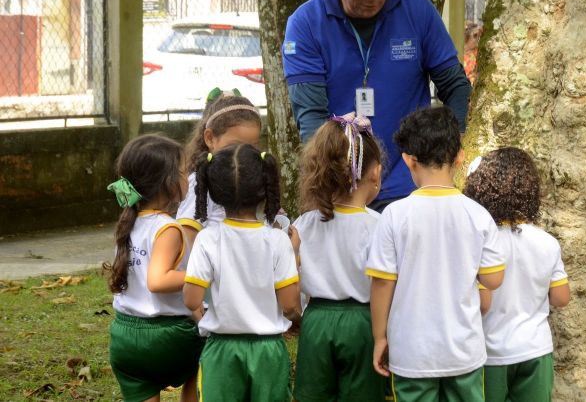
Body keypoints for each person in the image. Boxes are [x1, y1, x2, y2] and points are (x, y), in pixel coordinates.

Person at [282, 0, 472, 212]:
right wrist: (333, 183)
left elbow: (456, 86)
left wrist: (451, 144)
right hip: (346, 190)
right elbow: (311, 120)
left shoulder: (418, 12)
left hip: (411, 186)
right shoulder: (306, 24)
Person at [366, 106, 505, 401]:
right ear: (459, 157)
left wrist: (380, 337)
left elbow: (382, 284)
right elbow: (493, 280)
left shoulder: (394, 215)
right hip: (463, 350)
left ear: (408, 160)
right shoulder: (478, 215)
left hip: (412, 353)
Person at [183, 143, 300, 402]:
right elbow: (290, 305)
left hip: (221, 350)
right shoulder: (279, 241)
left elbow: (191, 300)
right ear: (265, 189)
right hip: (268, 351)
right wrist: (295, 255)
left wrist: (205, 314)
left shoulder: (207, 239)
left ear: (213, 191)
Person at [291, 113, 387, 401]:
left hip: (316, 320)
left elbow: (291, 273)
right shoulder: (379, 225)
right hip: (363, 322)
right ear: (375, 172)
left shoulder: (304, 222)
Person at [463, 147, 570, 402]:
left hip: (489, 353)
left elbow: (481, 302)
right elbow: (561, 297)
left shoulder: (480, 242)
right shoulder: (547, 242)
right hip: (535, 350)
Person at [105, 134, 204, 402]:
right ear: (170, 183)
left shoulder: (128, 222)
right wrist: (203, 275)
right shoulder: (167, 228)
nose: (188, 177)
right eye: (184, 172)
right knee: (210, 347)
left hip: (124, 336)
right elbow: (157, 281)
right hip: (167, 339)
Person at [177, 88, 262, 242]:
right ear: (210, 138)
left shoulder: (253, 178)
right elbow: (187, 241)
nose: (243, 154)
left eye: (252, 147)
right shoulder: (200, 183)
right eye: (234, 146)